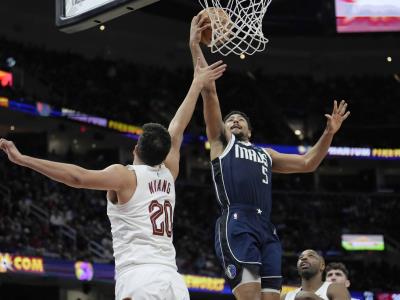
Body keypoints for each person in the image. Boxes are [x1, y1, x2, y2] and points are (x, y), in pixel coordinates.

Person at [0, 58, 226, 300]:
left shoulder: (125, 176)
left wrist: (23, 160)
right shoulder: (170, 171)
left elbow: (77, 177)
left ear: (135, 149)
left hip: (139, 278)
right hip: (172, 281)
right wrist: (196, 84)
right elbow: (178, 128)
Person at [189, 14, 351, 300]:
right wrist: (194, 46)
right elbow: (209, 91)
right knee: (249, 296)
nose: (235, 121)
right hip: (236, 221)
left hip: (266, 228)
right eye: (231, 120)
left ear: (250, 130)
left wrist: (329, 133)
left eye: (241, 119)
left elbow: (308, 163)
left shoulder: (265, 153)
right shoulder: (221, 142)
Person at [281, 250, 351, 300]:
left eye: (311, 255)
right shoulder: (285, 297)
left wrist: (311, 297)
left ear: (322, 266)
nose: (303, 258)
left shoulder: (335, 288)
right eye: (300, 257)